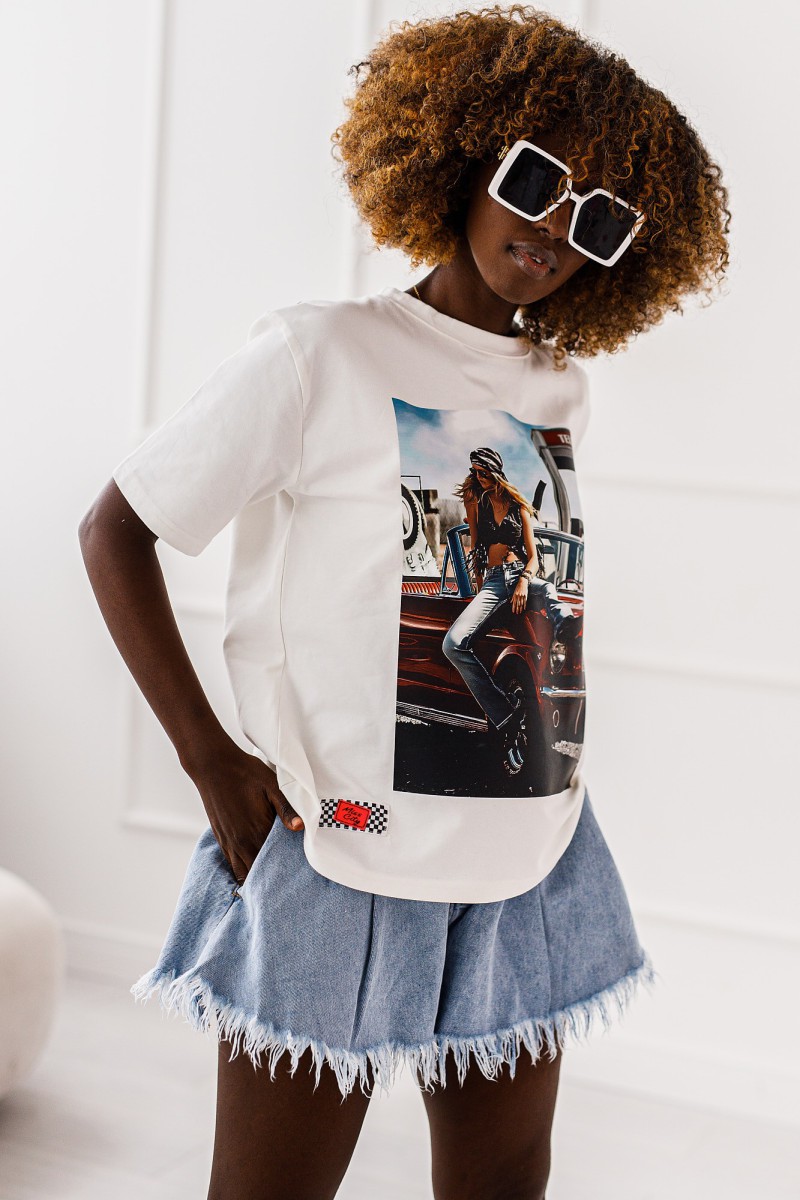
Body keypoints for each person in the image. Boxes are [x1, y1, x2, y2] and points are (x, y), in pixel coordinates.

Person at [78, 7, 729, 1198]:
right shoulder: (317, 354)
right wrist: (208, 758)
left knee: (502, 1182)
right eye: (534, 180)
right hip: (343, 847)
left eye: (596, 218)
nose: (554, 227)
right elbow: (116, 530)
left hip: (529, 857)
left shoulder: (558, 388)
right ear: (461, 156)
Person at [445, 443, 582, 768]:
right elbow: (477, 547)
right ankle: (504, 713)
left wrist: (522, 581)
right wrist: (481, 587)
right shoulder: (476, 501)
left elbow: (533, 558)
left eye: (483, 472)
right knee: (453, 644)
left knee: (547, 588)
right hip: (493, 583)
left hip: (521, 575)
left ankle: (566, 625)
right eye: (475, 472)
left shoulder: (519, 506)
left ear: (496, 472)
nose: (479, 477)